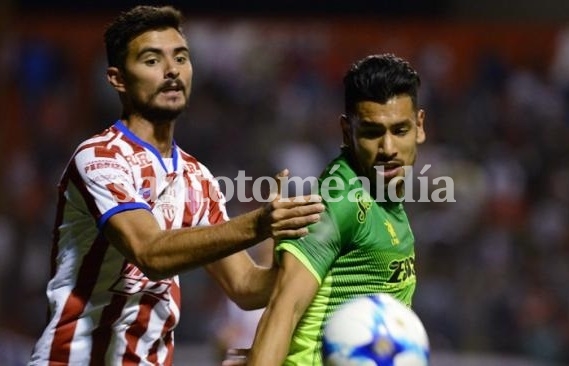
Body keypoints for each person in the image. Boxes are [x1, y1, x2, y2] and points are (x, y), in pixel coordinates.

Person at [27, 5, 324, 365]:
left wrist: (309, 255)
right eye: (152, 60)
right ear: (117, 78)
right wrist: (260, 224)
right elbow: (151, 253)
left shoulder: (198, 178)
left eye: (181, 58)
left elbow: (246, 287)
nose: (172, 71)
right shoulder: (100, 157)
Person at [238, 53, 427, 365]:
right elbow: (284, 308)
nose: (388, 149)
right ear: (346, 131)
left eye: (400, 130)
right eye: (371, 132)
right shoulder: (338, 201)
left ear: (419, 126)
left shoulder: (382, 195)